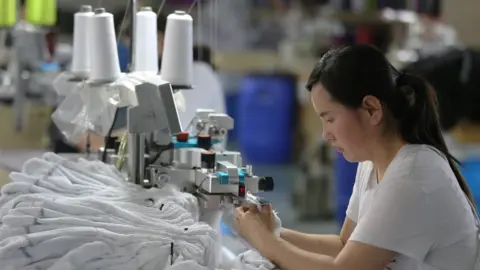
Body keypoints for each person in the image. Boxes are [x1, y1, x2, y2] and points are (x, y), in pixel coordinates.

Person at [234, 44, 480, 270]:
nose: (325, 135)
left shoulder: (415, 173)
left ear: (371, 109)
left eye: (330, 119)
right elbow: (346, 245)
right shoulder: (372, 164)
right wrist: (272, 231)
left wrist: (265, 241)